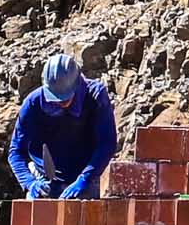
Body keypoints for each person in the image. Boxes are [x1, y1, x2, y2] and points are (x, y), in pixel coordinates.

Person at [7, 53, 116, 201]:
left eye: (65, 98)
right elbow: (16, 151)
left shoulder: (95, 96)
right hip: (44, 175)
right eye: (55, 99)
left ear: (77, 84)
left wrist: (84, 179)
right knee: (38, 217)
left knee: (84, 218)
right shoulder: (33, 103)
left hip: (84, 175)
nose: (60, 103)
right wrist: (29, 182)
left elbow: (106, 144)